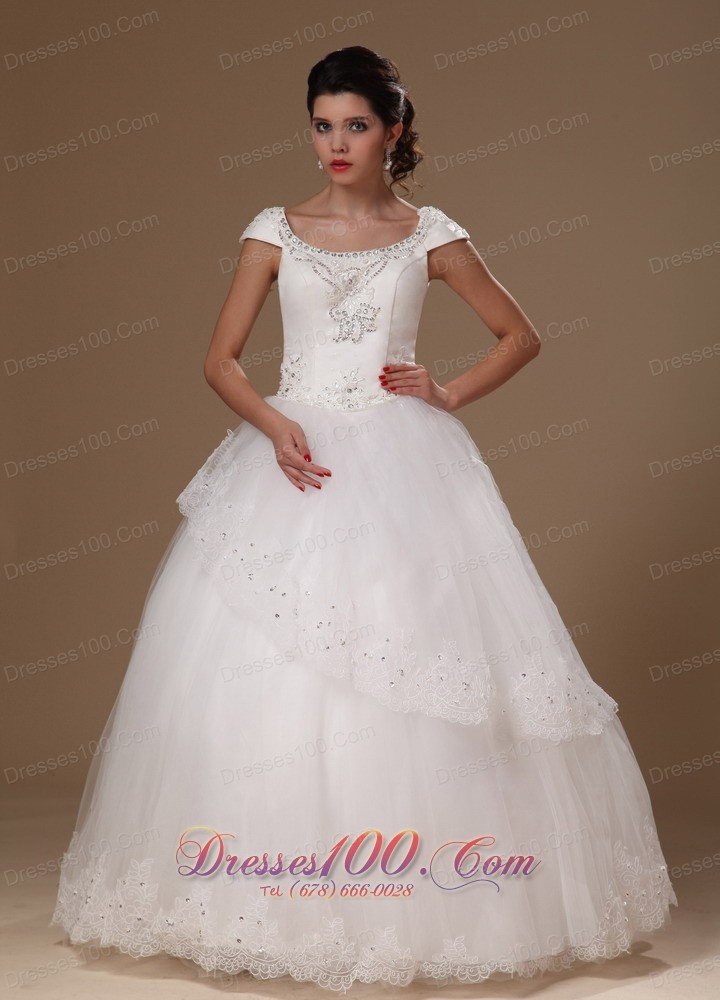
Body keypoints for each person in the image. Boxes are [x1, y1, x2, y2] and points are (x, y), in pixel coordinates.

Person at [51, 45, 677, 993]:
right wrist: (275, 427)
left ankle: (424, 903)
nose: (335, 143)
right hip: (295, 461)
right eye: (322, 125)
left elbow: (521, 335)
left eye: (355, 125)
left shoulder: (431, 235)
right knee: (263, 673)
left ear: (394, 131)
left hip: (405, 465)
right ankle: (263, 900)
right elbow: (220, 360)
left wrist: (448, 392)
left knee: (413, 653)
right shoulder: (273, 230)